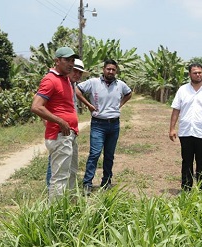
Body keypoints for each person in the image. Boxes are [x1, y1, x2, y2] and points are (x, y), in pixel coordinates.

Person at [31, 46, 80, 201]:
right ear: (57, 61)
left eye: (72, 60)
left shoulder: (65, 79)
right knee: (60, 177)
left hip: (69, 134)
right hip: (60, 135)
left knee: (71, 173)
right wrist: (59, 121)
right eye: (67, 60)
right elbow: (36, 106)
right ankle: (55, 215)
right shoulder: (50, 80)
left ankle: (70, 207)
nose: (71, 64)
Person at [76, 59, 132, 194]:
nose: (111, 71)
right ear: (103, 69)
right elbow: (77, 90)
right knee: (94, 154)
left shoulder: (120, 85)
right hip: (98, 124)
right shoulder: (93, 82)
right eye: (108, 69)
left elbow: (129, 93)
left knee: (109, 155)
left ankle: (106, 181)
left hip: (114, 124)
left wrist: (120, 104)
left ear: (116, 71)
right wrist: (88, 105)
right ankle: (87, 183)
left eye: (113, 69)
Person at [169, 63, 202, 191]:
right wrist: (172, 129)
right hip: (186, 132)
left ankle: (201, 190)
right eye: (195, 73)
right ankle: (186, 189)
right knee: (186, 161)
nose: (198, 75)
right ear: (189, 74)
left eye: (200, 72)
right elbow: (176, 110)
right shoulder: (182, 90)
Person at [46, 58, 88, 187]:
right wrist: (54, 123)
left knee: (68, 168)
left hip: (70, 132)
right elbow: (41, 106)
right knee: (57, 169)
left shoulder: (72, 86)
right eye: (75, 71)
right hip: (59, 133)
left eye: (80, 73)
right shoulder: (55, 82)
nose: (77, 74)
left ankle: (66, 199)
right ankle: (51, 194)